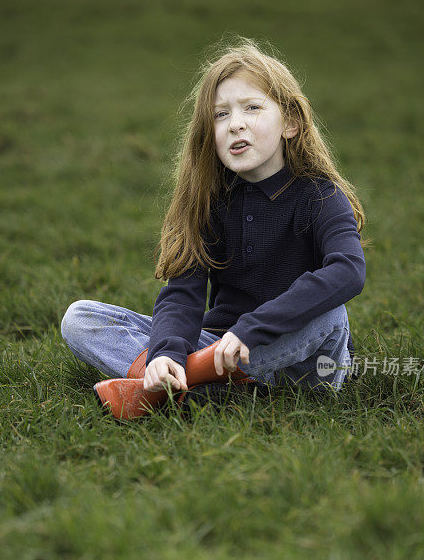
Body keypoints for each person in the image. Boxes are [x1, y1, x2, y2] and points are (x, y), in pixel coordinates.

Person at [60, 36, 368, 419]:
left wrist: (252, 330)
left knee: (330, 313)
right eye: (221, 115)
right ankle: (188, 382)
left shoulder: (321, 196)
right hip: (220, 347)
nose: (235, 124)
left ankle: (179, 386)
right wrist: (166, 352)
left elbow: (349, 271)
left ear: (290, 122)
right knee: (81, 317)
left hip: (301, 364)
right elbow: (182, 294)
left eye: (252, 108)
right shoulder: (211, 201)